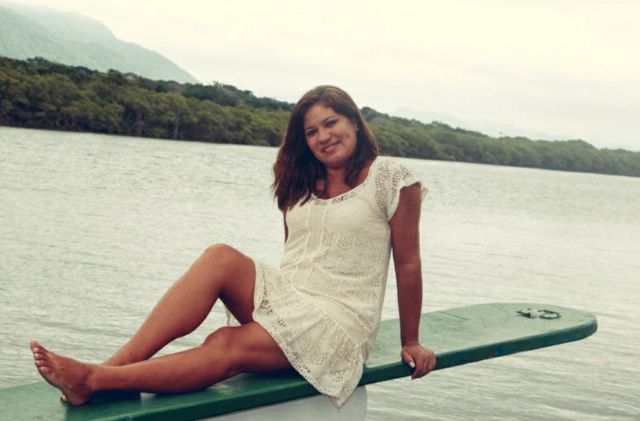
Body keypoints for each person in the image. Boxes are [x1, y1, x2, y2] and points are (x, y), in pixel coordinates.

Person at [31, 85, 436, 408]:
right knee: (220, 256)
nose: (323, 137)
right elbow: (297, 257)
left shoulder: (389, 177)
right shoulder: (301, 185)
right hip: (294, 300)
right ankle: (116, 366)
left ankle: (96, 380)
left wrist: (410, 341)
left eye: (331, 123)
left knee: (226, 343)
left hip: (338, 325)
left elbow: (408, 265)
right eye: (311, 132)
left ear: (354, 122)